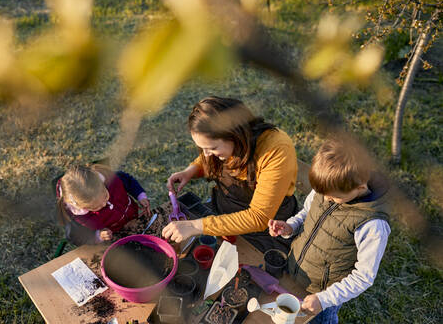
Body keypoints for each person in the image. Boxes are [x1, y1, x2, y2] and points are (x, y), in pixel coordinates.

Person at [268, 139, 391, 323]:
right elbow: (306, 213)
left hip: (323, 295)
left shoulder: (372, 225)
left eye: (333, 197)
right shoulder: (328, 188)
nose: (326, 199)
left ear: (360, 187)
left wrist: (324, 299)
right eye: (323, 194)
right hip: (295, 273)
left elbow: (363, 276)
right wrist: (290, 226)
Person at [162, 96, 298, 253]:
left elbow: (258, 218)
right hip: (223, 211)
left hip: (265, 231)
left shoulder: (275, 150)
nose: (206, 155)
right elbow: (206, 158)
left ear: (234, 134)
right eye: (202, 148)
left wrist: (195, 226)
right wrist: (191, 170)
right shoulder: (229, 145)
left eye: (212, 148)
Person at [56, 163, 150, 246]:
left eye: (105, 196)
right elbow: (77, 237)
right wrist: (98, 236)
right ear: (82, 207)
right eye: (96, 207)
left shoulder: (111, 179)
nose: (105, 204)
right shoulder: (76, 217)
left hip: (133, 218)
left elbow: (128, 181)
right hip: (115, 238)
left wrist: (140, 196)